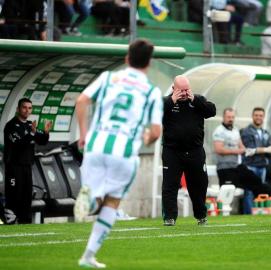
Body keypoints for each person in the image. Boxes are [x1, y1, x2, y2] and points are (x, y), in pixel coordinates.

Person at [74, 39, 162, 268]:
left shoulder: (107, 78)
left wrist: (84, 134)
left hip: (96, 145)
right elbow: (155, 131)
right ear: (149, 63)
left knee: (96, 194)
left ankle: (91, 200)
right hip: (124, 151)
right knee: (113, 201)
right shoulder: (152, 91)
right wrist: (145, 139)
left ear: (127, 58)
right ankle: (88, 255)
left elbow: (82, 101)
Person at [161, 75, 216, 226]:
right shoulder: (166, 102)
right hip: (172, 152)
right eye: (181, 91)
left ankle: (201, 216)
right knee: (170, 185)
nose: (184, 93)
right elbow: (153, 113)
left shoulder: (197, 100)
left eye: (187, 90)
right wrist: (171, 101)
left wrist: (195, 101)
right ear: (174, 89)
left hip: (195, 151)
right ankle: (169, 217)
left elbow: (212, 111)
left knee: (199, 184)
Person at [213, 108, 271, 207]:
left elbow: (242, 147)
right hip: (225, 168)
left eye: (232, 117)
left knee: (257, 182)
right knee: (228, 193)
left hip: (237, 166)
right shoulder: (219, 130)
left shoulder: (235, 130)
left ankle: (263, 205)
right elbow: (219, 149)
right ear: (224, 117)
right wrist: (237, 151)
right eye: (228, 117)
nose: (231, 119)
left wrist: (240, 150)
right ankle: (223, 212)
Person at [4, 98, 51, 224]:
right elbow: (19, 143)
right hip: (14, 167)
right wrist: (31, 134)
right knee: (14, 196)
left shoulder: (30, 125)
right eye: (24, 107)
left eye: (29, 108)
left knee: (26, 197)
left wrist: (46, 132)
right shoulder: (11, 126)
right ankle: (10, 222)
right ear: (18, 109)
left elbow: (42, 140)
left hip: (27, 167)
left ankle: (26, 223)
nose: (27, 110)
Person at [240, 107, 271, 213]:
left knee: (261, 192)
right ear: (252, 116)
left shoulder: (266, 132)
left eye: (260, 115)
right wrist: (266, 149)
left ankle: (259, 214)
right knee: (249, 191)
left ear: (263, 117)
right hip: (250, 166)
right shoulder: (246, 131)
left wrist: (266, 150)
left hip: (262, 166)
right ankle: (249, 215)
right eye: (256, 115)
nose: (258, 117)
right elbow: (250, 150)